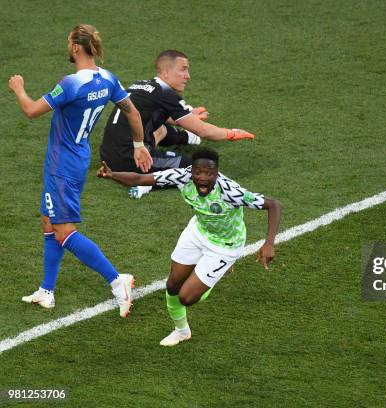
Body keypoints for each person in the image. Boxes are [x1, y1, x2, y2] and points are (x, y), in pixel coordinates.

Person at [8, 24, 153, 316]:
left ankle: (117, 280)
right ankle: (46, 291)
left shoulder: (71, 83)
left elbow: (31, 110)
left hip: (62, 164)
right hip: (76, 157)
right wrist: (139, 144)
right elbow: (132, 112)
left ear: (75, 47)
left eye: (68, 42)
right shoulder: (107, 79)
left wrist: (18, 88)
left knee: (63, 231)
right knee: (48, 221)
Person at [97, 147, 282, 346]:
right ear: (191, 171)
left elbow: (273, 205)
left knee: (186, 297)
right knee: (172, 285)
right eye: (198, 172)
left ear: (217, 172)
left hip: (225, 246)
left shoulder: (231, 191)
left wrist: (269, 243)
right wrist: (112, 175)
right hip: (197, 233)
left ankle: (221, 269)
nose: (203, 177)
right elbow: (140, 180)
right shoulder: (181, 176)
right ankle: (182, 331)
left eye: (209, 173)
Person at [100, 49, 255, 198]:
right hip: (131, 160)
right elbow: (204, 131)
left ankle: (187, 138)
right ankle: (145, 183)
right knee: (196, 168)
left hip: (108, 155)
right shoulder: (165, 93)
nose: (187, 76)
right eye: (183, 70)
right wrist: (232, 133)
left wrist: (188, 116)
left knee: (162, 129)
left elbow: (154, 115)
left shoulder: (140, 84)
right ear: (166, 72)